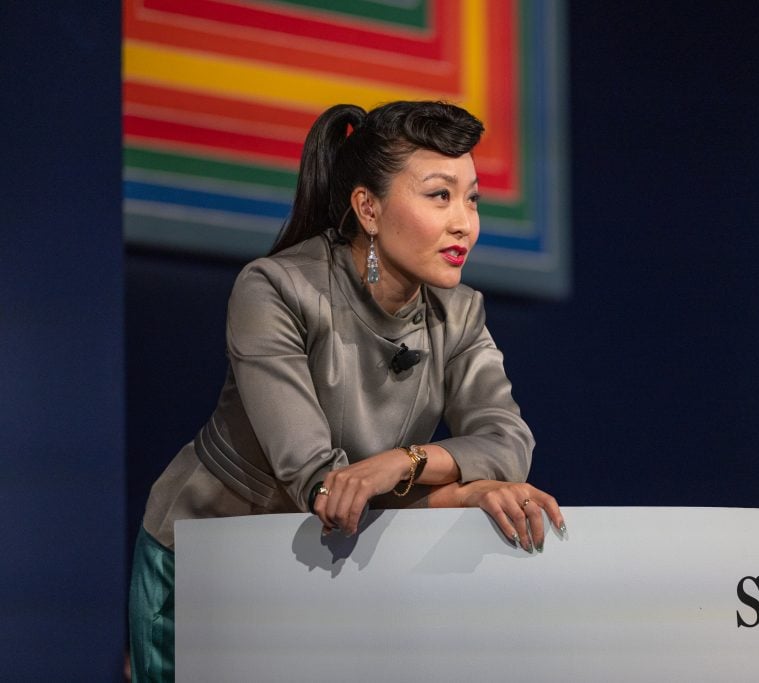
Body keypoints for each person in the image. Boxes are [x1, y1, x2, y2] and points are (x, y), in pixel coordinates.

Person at [128, 100, 565, 682]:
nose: (465, 221)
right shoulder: (275, 288)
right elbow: (321, 484)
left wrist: (405, 461)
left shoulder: (460, 312)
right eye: (440, 195)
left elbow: (507, 441)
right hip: (210, 561)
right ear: (368, 208)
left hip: (335, 564)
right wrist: (460, 492)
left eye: (473, 197)